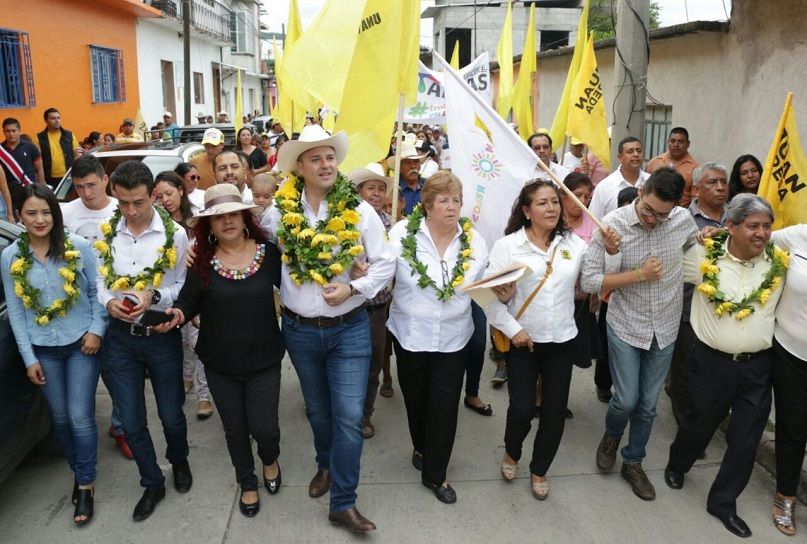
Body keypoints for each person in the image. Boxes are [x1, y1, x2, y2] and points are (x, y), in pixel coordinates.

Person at [265, 124, 395, 533]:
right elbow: (255, 248)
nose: (325, 164)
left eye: (329, 157)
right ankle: (325, 463)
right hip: (300, 331)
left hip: (350, 329)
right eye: (315, 158)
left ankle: (344, 500)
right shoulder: (278, 213)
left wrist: (355, 284)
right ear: (299, 167)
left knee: (350, 416)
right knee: (319, 412)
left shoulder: (359, 210)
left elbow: (386, 261)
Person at [487, 179, 618, 500]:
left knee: (554, 411)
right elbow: (489, 300)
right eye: (543, 203)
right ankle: (512, 453)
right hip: (523, 342)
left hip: (562, 341)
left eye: (554, 202)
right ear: (526, 210)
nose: (551, 208)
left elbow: (595, 277)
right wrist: (511, 327)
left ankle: (539, 468)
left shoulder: (573, 244)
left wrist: (612, 249)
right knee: (520, 408)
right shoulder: (508, 247)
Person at [664, 194, 785, 539]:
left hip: (759, 368)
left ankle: (723, 502)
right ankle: (678, 463)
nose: (762, 233)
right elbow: (665, 258)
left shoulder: (778, 262)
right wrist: (698, 236)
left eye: (766, 226)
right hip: (712, 363)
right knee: (698, 424)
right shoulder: (703, 255)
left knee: (746, 440)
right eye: (753, 226)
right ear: (730, 226)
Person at [161, 184, 283, 518]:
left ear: (245, 218)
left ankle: (270, 459)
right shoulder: (200, 261)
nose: (227, 221)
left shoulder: (270, 254)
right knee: (235, 429)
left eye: (232, 214)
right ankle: (246, 481)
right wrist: (177, 315)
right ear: (209, 226)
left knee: (265, 429)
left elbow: (299, 288)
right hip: (219, 361)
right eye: (218, 217)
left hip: (265, 359)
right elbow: (187, 301)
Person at [581, 167, 698, 501]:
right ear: (642, 190)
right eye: (648, 210)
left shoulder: (682, 221)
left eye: (662, 216)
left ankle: (633, 461)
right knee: (626, 399)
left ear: (675, 207)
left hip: (665, 326)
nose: (652, 219)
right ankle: (612, 435)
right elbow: (590, 280)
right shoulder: (612, 225)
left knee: (647, 406)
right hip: (626, 325)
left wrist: (702, 241)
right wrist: (638, 274)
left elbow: (691, 244)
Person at [1, 184, 107, 525]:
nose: (39, 219)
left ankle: (86, 485)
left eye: (46, 211)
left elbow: (97, 291)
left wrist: (96, 330)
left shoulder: (78, 247)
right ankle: (79, 471)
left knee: (79, 416)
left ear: (55, 213)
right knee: (59, 419)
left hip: (81, 345)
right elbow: (16, 311)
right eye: (31, 213)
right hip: (43, 348)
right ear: (19, 215)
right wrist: (29, 357)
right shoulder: (11, 257)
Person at [96, 160, 191, 521]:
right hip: (119, 339)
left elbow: (182, 284)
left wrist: (157, 296)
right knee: (132, 421)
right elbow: (100, 281)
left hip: (159, 335)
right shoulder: (107, 234)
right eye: (123, 203)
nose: (132, 211)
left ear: (153, 194)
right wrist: (109, 302)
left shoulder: (174, 234)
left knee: (170, 414)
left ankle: (179, 459)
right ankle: (152, 482)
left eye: (139, 202)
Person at [387, 172, 488, 504]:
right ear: (427, 205)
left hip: (453, 339)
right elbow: (382, 274)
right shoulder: (402, 234)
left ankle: (436, 473)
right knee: (415, 400)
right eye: (443, 200)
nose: (451, 206)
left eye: (456, 199)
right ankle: (420, 445)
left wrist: (503, 289)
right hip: (410, 335)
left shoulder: (474, 241)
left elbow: (484, 286)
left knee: (445, 406)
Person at [60, 154, 133, 460]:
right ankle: (82, 430)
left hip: (117, 302)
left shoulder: (124, 209)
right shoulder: (64, 213)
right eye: (79, 187)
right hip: (77, 304)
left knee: (119, 376)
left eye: (91, 185)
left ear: (106, 180)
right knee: (86, 376)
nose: (86, 193)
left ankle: (121, 426)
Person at [667, 163, 728, 426]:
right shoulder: (680, 219)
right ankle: (687, 422)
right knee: (685, 369)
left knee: (714, 370)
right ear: (696, 189)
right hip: (688, 306)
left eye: (724, 182)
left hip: (726, 307)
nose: (720, 188)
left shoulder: (736, 218)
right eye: (713, 182)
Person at [153, 171, 213, 420]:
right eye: (159, 195)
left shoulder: (196, 219)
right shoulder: (155, 223)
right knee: (181, 341)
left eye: (169, 193)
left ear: (180, 189)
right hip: (170, 292)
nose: (165, 199)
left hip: (195, 291)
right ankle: (186, 377)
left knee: (197, 342)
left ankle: (204, 396)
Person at [346, 162, 394, 439]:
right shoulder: (346, 220)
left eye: (380, 188)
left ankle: (365, 414)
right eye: (370, 188)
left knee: (373, 362)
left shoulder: (391, 224)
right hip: (348, 306)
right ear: (359, 191)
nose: (375, 193)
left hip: (377, 306)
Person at [768, 221, 807, 537]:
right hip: (791, 352)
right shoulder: (796, 235)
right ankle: (786, 496)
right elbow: (752, 237)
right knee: (793, 427)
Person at [588, 137, 650, 221]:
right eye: (630, 151)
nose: (636, 154)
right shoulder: (604, 187)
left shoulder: (652, 182)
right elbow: (593, 221)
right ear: (620, 157)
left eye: (639, 151)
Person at [2, 117, 46, 214]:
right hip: (9, 197)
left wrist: (43, 191)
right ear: (3, 132)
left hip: (30, 193)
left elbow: (39, 170)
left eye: (14, 130)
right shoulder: (1, 151)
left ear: (20, 131)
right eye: (7, 131)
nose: (11, 134)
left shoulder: (31, 147)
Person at [646, 127, 699, 207]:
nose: (676, 145)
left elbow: (695, 200)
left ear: (688, 144)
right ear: (668, 142)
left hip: (681, 213)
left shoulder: (695, 169)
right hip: (654, 212)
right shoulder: (654, 163)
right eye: (673, 141)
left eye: (680, 142)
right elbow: (646, 189)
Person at [36, 108, 81, 186]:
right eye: (53, 118)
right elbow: (38, 162)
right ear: (46, 121)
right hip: (49, 178)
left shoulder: (69, 135)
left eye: (58, 118)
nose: (57, 120)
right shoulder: (40, 138)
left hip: (69, 176)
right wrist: (42, 181)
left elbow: (77, 154)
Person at [398, 139, 426, 215]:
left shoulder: (429, 185)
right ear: (399, 167)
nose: (413, 166)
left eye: (416, 162)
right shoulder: (394, 189)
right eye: (408, 163)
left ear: (420, 165)